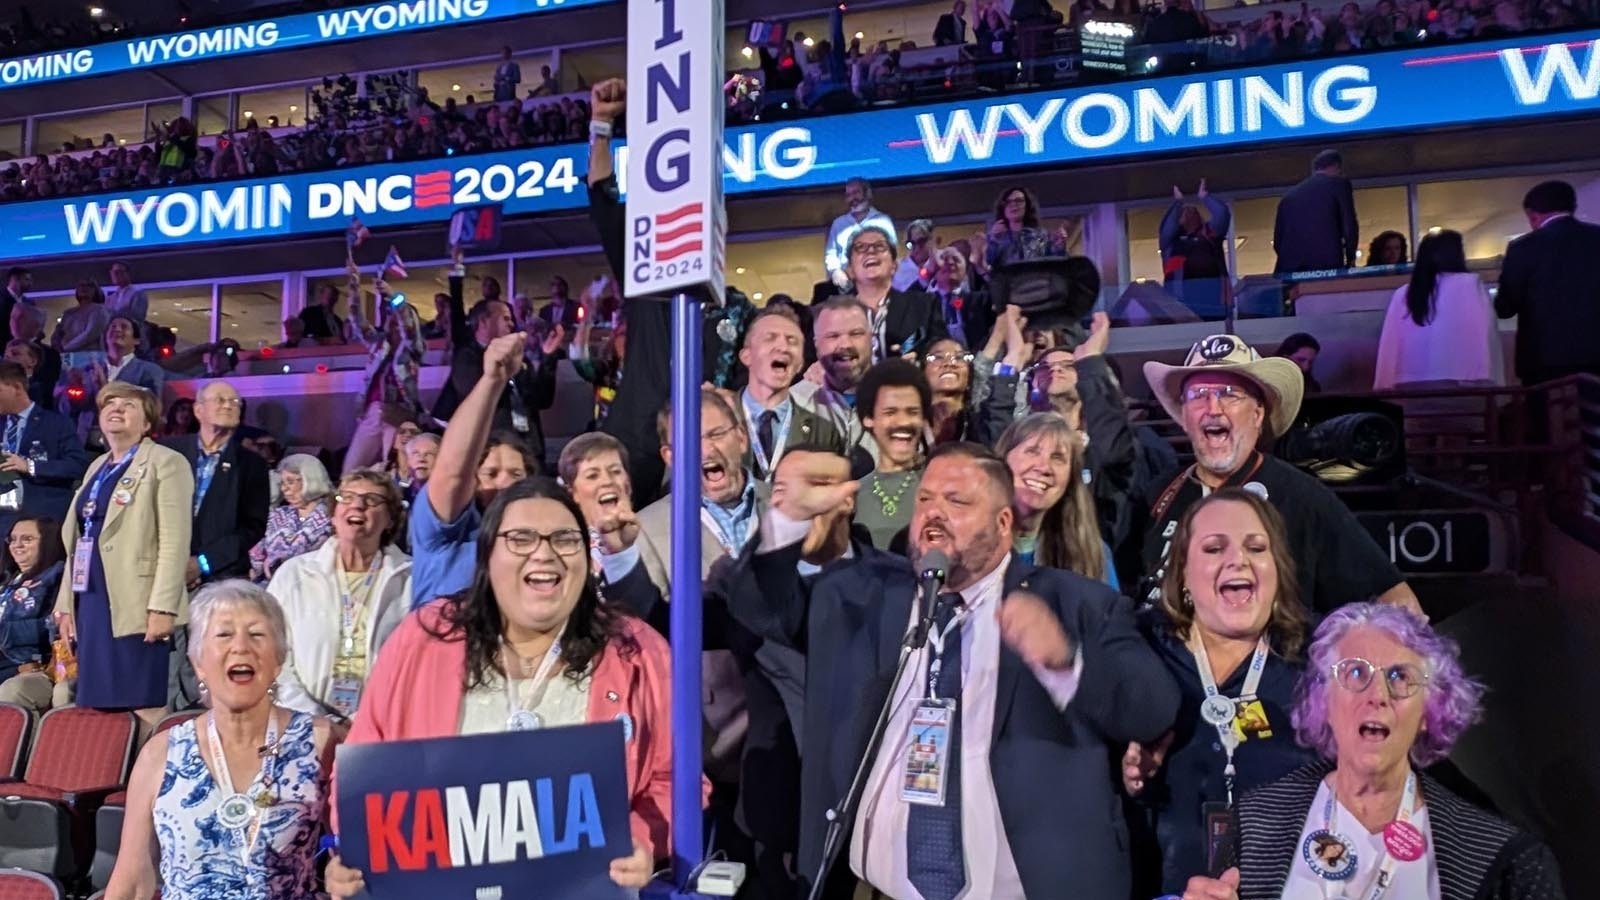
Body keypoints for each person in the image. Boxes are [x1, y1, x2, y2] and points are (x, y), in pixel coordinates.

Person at [737, 444, 1180, 899]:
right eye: (925, 499)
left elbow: (1151, 711)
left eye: (957, 501)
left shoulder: (1073, 603)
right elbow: (760, 611)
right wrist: (785, 521)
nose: (934, 513)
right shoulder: (862, 595)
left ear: (1004, 523)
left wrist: (1064, 664)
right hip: (878, 890)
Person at [324, 479, 681, 897]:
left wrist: (640, 837)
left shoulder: (637, 650)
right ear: (487, 556)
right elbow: (365, 778)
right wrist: (355, 856)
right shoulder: (422, 639)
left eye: (565, 539)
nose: (544, 552)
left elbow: (677, 779)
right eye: (521, 538)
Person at [1180, 603, 1565, 900]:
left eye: (1400, 678)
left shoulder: (1508, 860)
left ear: (1429, 712)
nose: (1377, 696)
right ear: (1323, 701)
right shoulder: (1253, 822)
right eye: (1355, 674)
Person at [1122, 489, 1316, 896]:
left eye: (1256, 547)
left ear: (1277, 568)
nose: (1237, 559)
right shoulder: (1139, 648)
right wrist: (1119, 766)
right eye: (1214, 548)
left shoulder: (1317, 661)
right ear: (1182, 575)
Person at [1141, 335, 1420, 616]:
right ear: (1185, 415)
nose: (1213, 408)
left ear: (1257, 415)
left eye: (1229, 393)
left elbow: (1396, 600)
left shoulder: (1301, 497)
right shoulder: (1160, 493)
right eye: (1198, 395)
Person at [106, 581, 334, 900]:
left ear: (278, 660)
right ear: (199, 663)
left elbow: (358, 854)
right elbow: (132, 880)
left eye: (256, 634)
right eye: (224, 634)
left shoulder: (320, 741)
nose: (240, 646)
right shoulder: (161, 753)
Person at [54, 382, 192, 726]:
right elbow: (78, 540)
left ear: (147, 423)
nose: (116, 409)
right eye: (109, 404)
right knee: (99, 703)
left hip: (137, 602)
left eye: (128, 405)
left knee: (140, 699)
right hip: (93, 598)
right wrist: (65, 606)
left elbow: (175, 541)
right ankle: (110, 775)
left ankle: (144, 775)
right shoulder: (97, 466)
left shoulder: (166, 462)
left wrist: (163, 606)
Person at [270, 471, 411, 722]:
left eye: (371, 500)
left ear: (390, 519)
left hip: (383, 725)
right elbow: (273, 653)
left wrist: (369, 721)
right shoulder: (294, 574)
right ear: (334, 514)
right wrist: (312, 718)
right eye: (346, 497)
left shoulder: (410, 578)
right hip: (303, 723)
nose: (357, 505)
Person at [410, 332, 538, 607]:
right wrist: (492, 381)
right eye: (491, 473)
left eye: (516, 475)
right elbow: (453, 471)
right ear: (472, 482)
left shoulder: (539, 542)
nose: (504, 484)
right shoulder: (445, 534)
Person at [432, 250, 561, 468]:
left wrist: (548, 358)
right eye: (505, 318)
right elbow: (475, 393)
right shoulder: (468, 355)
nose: (512, 324)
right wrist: (457, 273)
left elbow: (543, 399)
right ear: (483, 322)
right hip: (492, 452)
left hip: (530, 450)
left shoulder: (519, 358)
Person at [1494, 179, 1600, 385]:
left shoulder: (1523, 248)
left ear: (1533, 214)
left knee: (1546, 415)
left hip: (1543, 359)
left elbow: (1505, 308)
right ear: (1573, 207)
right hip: (1596, 356)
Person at [1376, 229, 1505, 390]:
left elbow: (1390, 345)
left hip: (1410, 389)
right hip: (1465, 386)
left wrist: (1386, 385)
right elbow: (1487, 337)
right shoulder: (1471, 285)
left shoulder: (1404, 293)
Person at [994, 412, 1113, 585]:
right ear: (1003, 461)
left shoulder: (1093, 553)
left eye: (1058, 458)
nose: (1044, 467)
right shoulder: (968, 541)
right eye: (1033, 451)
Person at [738, 306, 844, 481]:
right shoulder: (713, 421)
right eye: (770, 338)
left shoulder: (824, 432)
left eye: (792, 341)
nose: (783, 347)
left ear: (800, 364)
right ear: (746, 356)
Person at [341, 270, 427, 474]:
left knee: (396, 469)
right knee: (351, 470)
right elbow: (358, 323)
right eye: (391, 319)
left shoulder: (413, 349)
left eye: (398, 320)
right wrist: (354, 287)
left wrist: (393, 296)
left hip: (399, 414)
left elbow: (409, 329)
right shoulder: (379, 345)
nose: (395, 323)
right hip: (372, 412)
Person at [0, 361, 89, 533]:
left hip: (41, 518)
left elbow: (78, 465)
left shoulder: (56, 423)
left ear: (17, 387)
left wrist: (30, 466)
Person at [853, 358, 931, 548]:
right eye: (890, 412)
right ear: (869, 419)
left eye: (912, 412)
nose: (903, 422)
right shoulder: (851, 495)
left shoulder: (940, 486)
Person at [843, 226, 949, 361]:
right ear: (850, 270)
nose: (871, 251)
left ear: (894, 266)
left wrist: (921, 361)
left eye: (880, 246)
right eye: (860, 248)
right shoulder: (833, 313)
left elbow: (942, 351)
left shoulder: (923, 306)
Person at [0, 516, 68, 713]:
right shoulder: (8, 581)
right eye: (13, 539)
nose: (17, 545)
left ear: (47, 542)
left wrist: (4, 631)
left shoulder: (59, 579)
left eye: (27, 539)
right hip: (8, 668)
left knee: (14, 690)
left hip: (41, 668)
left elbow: (54, 626)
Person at [248, 454, 334, 583]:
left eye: (291, 481)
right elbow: (258, 552)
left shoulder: (332, 516)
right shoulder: (279, 514)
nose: (284, 488)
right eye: (282, 483)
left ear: (310, 481)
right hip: (270, 584)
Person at [1272, 149, 1358, 274]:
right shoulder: (1339, 184)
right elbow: (1349, 226)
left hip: (1289, 270)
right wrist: (1350, 259)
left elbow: (1278, 240)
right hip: (1326, 267)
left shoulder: (1288, 197)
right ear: (1336, 166)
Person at [1161, 180, 1233, 319]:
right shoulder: (1171, 243)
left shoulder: (1209, 233)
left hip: (1214, 304)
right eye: (1184, 211)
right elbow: (1166, 229)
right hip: (1180, 306)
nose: (1188, 212)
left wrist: (1204, 196)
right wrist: (1178, 203)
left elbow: (1222, 214)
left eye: (1193, 210)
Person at [824, 177, 897, 290]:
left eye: (856, 193)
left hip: (877, 280)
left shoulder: (883, 221)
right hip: (846, 284)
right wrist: (835, 272)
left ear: (867, 193)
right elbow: (831, 254)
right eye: (848, 195)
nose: (852, 198)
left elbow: (892, 252)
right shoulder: (838, 224)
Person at [984, 186, 1067, 271]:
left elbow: (1056, 266)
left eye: (1019, 201)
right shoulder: (994, 238)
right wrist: (993, 239)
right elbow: (986, 265)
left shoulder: (1042, 236)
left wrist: (1059, 247)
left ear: (1027, 206)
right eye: (1008, 202)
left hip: (1035, 282)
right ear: (1003, 208)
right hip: (1007, 283)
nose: (1013, 205)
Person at [104, 260, 150, 324]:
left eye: (118, 272)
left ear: (128, 274)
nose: (114, 275)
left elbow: (137, 318)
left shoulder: (138, 294)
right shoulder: (110, 298)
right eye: (112, 272)